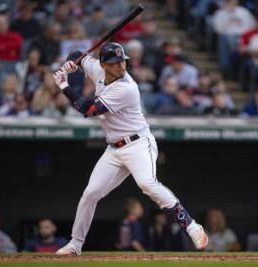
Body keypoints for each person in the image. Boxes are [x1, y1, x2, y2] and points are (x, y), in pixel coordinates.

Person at [52, 42, 208, 256]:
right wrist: (72, 63)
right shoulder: (97, 68)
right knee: (90, 194)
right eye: (115, 63)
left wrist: (64, 84)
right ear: (104, 65)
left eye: (122, 61)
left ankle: (191, 226)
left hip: (138, 144)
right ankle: (75, 244)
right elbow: (78, 54)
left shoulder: (126, 87)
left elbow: (88, 109)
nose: (121, 66)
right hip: (114, 149)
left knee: (146, 183)